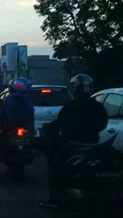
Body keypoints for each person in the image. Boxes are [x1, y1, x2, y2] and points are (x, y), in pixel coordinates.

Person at [40, 74, 108, 208]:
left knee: (55, 167)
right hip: (93, 144)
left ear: (76, 88)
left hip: (73, 145)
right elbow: (103, 124)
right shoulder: (97, 106)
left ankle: (55, 198)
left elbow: (60, 123)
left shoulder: (71, 106)